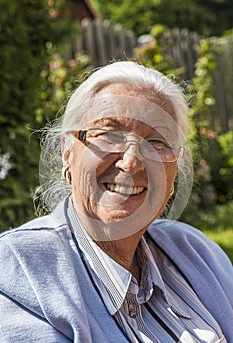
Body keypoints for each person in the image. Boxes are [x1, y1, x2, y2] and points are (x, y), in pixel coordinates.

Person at [0, 61, 232, 343]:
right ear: (67, 152)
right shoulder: (18, 269)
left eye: (157, 141)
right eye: (110, 134)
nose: (132, 161)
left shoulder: (196, 252)